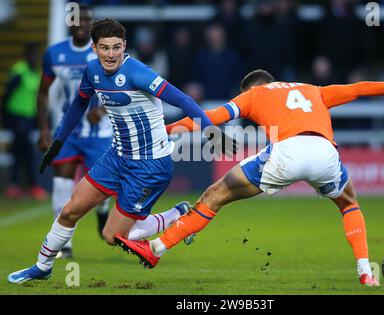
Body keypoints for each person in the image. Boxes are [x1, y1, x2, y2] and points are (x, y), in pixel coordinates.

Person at [113, 69, 384, 286]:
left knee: (215, 195)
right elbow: (357, 89)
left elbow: (210, 118)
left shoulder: (255, 94)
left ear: (252, 87)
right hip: (325, 152)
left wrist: (165, 131)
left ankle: (156, 247)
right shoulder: (313, 90)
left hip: (287, 152)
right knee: (347, 201)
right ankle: (364, 273)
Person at [7, 18, 234, 284]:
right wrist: (59, 141)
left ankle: (178, 213)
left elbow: (183, 99)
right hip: (117, 157)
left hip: (150, 165)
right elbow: (79, 104)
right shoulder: (92, 71)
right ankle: (42, 266)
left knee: (112, 236)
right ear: (94, 48)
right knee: (69, 211)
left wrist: (211, 131)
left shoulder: (139, 73)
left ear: (124, 46)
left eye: (116, 47)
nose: (111, 54)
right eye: (105, 48)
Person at [36, 4, 112, 259]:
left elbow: (119, 87)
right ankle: (62, 245)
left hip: (98, 133)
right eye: (77, 20)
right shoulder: (55, 53)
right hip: (66, 132)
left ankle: (103, 212)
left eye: (87, 20)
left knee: (102, 189)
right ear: (69, 23)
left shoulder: (101, 52)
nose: (82, 24)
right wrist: (45, 129)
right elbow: (43, 92)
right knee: (61, 184)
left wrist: (100, 111)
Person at [1, 43, 48, 200]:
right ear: (27, 56)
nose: (35, 59)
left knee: (23, 151)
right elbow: (7, 95)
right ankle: (26, 185)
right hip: (16, 117)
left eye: (37, 56)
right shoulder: (19, 72)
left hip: (30, 118)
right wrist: (5, 117)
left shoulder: (37, 73)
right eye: (33, 55)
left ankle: (19, 185)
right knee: (23, 151)